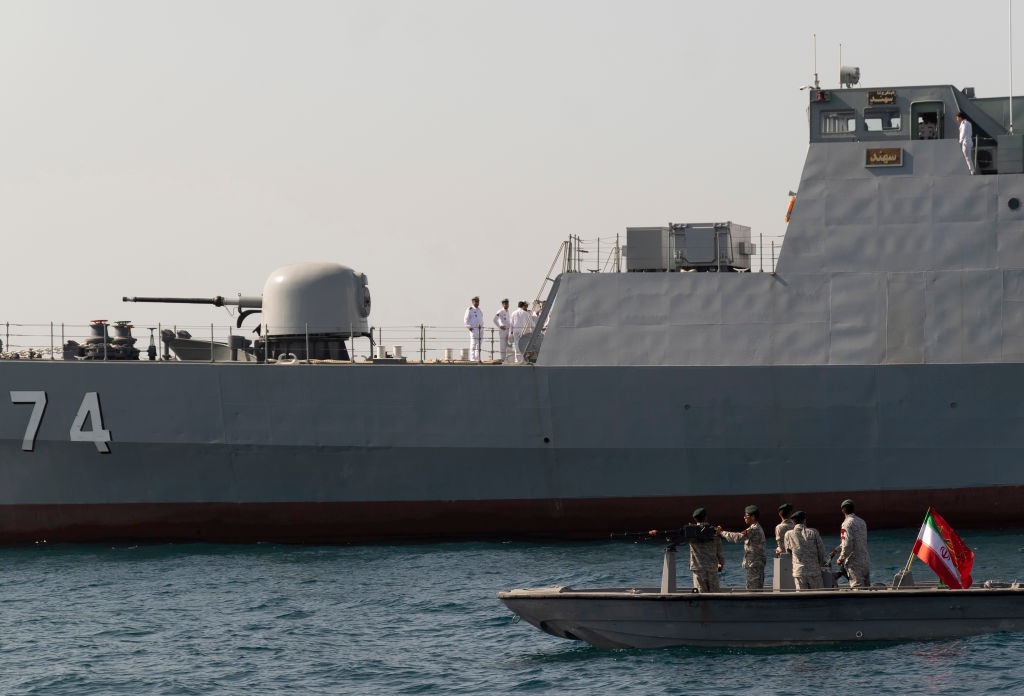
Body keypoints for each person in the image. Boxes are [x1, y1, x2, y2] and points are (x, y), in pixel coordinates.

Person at [717, 505, 766, 590]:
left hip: (754, 565)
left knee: (753, 590)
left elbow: (738, 537)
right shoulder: (755, 528)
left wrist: (722, 533)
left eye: (746, 515)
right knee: (755, 588)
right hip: (755, 564)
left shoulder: (754, 529)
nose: (744, 517)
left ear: (753, 517)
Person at [829, 498, 871, 588]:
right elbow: (854, 541)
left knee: (857, 589)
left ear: (843, 511)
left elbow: (847, 545)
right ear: (853, 509)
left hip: (854, 563)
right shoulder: (862, 522)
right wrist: (836, 550)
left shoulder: (846, 524)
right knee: (867, 588)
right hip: (865, 561)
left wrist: (841, 558)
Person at [783, 510, 827, 590]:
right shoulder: (814, 532)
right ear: (804, 520)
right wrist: (820, 563)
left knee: (802, 597)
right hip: (814, 572)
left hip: (799, 572)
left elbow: (788, 551)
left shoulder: (788, 534)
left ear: (793, 522)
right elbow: (821, 551)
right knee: (818, 596)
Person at [687, 507, 725, 592]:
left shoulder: (690, 532)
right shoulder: (715, 531)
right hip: (712, 568)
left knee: (701, 595)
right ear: (706, 517)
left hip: (698, 569)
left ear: (695, 519)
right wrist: (721, 564)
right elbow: (720, 553)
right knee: (715, 594)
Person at [463, 296, 483, 361]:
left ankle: (478, 358)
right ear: (472, 302)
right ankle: (472, 359)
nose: (477, 303)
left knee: (479, 345)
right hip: (474, 329)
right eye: (475, 301)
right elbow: (465, 319)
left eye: (478, 301)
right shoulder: (470, 309)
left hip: (480, 329)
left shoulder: (479, 310)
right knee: (473, 344)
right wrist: (469, 327)